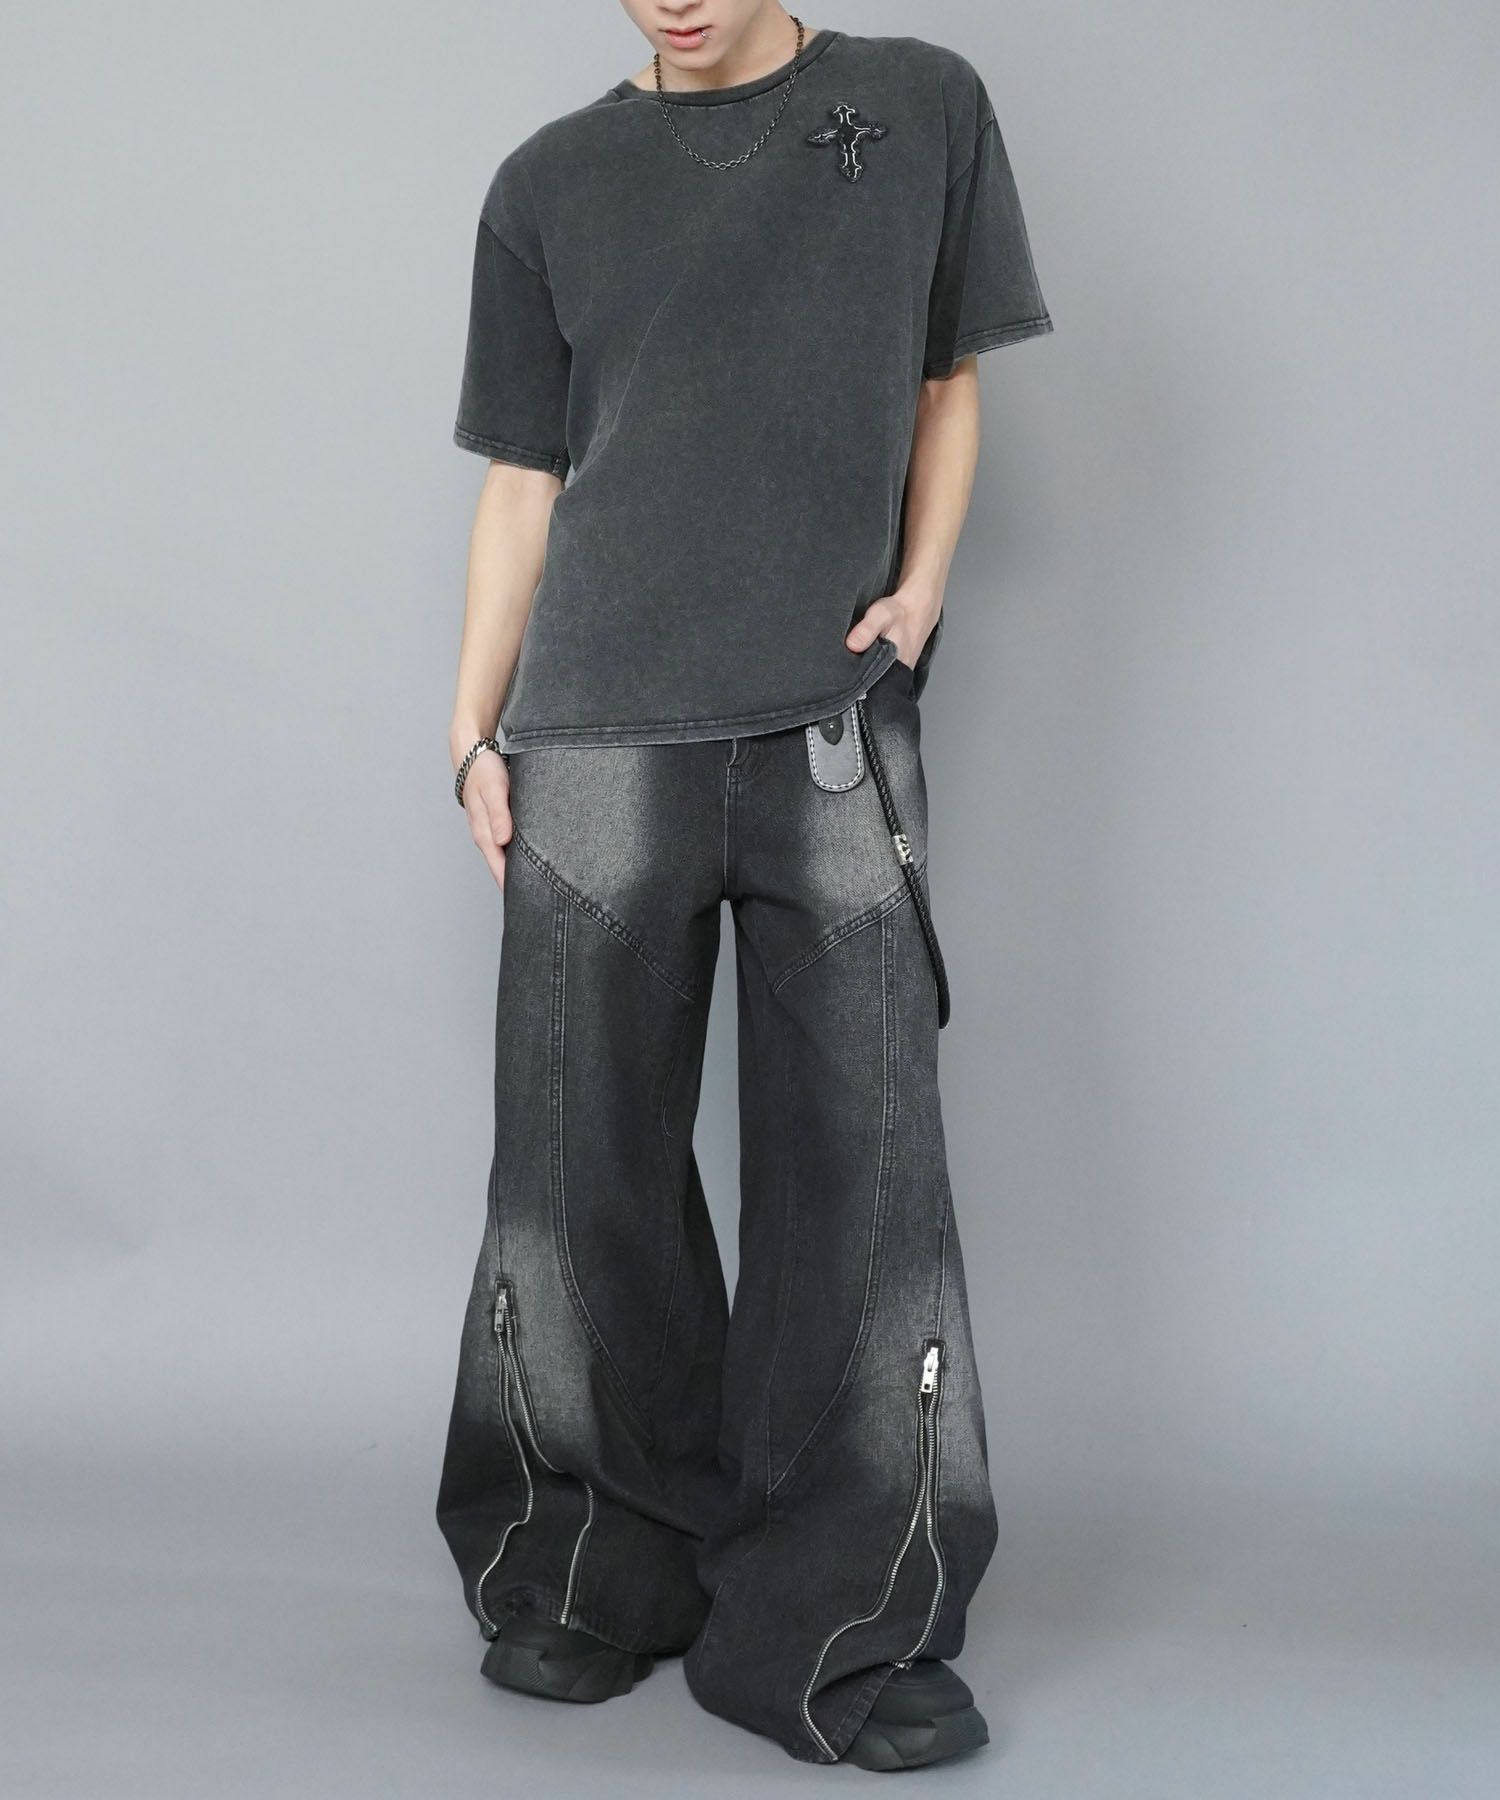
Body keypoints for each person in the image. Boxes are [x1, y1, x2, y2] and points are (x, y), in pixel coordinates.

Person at [435, 1, 1052, 1771]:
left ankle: (840, 1616)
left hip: (829, 722)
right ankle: (591, 1569)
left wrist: (923, 590)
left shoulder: (920, 106)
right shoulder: (547, 181)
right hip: (592, 730)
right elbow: (526, 482)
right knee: (579, 1174)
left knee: (862, 1176)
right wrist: (469, 731)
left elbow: (946, 376)